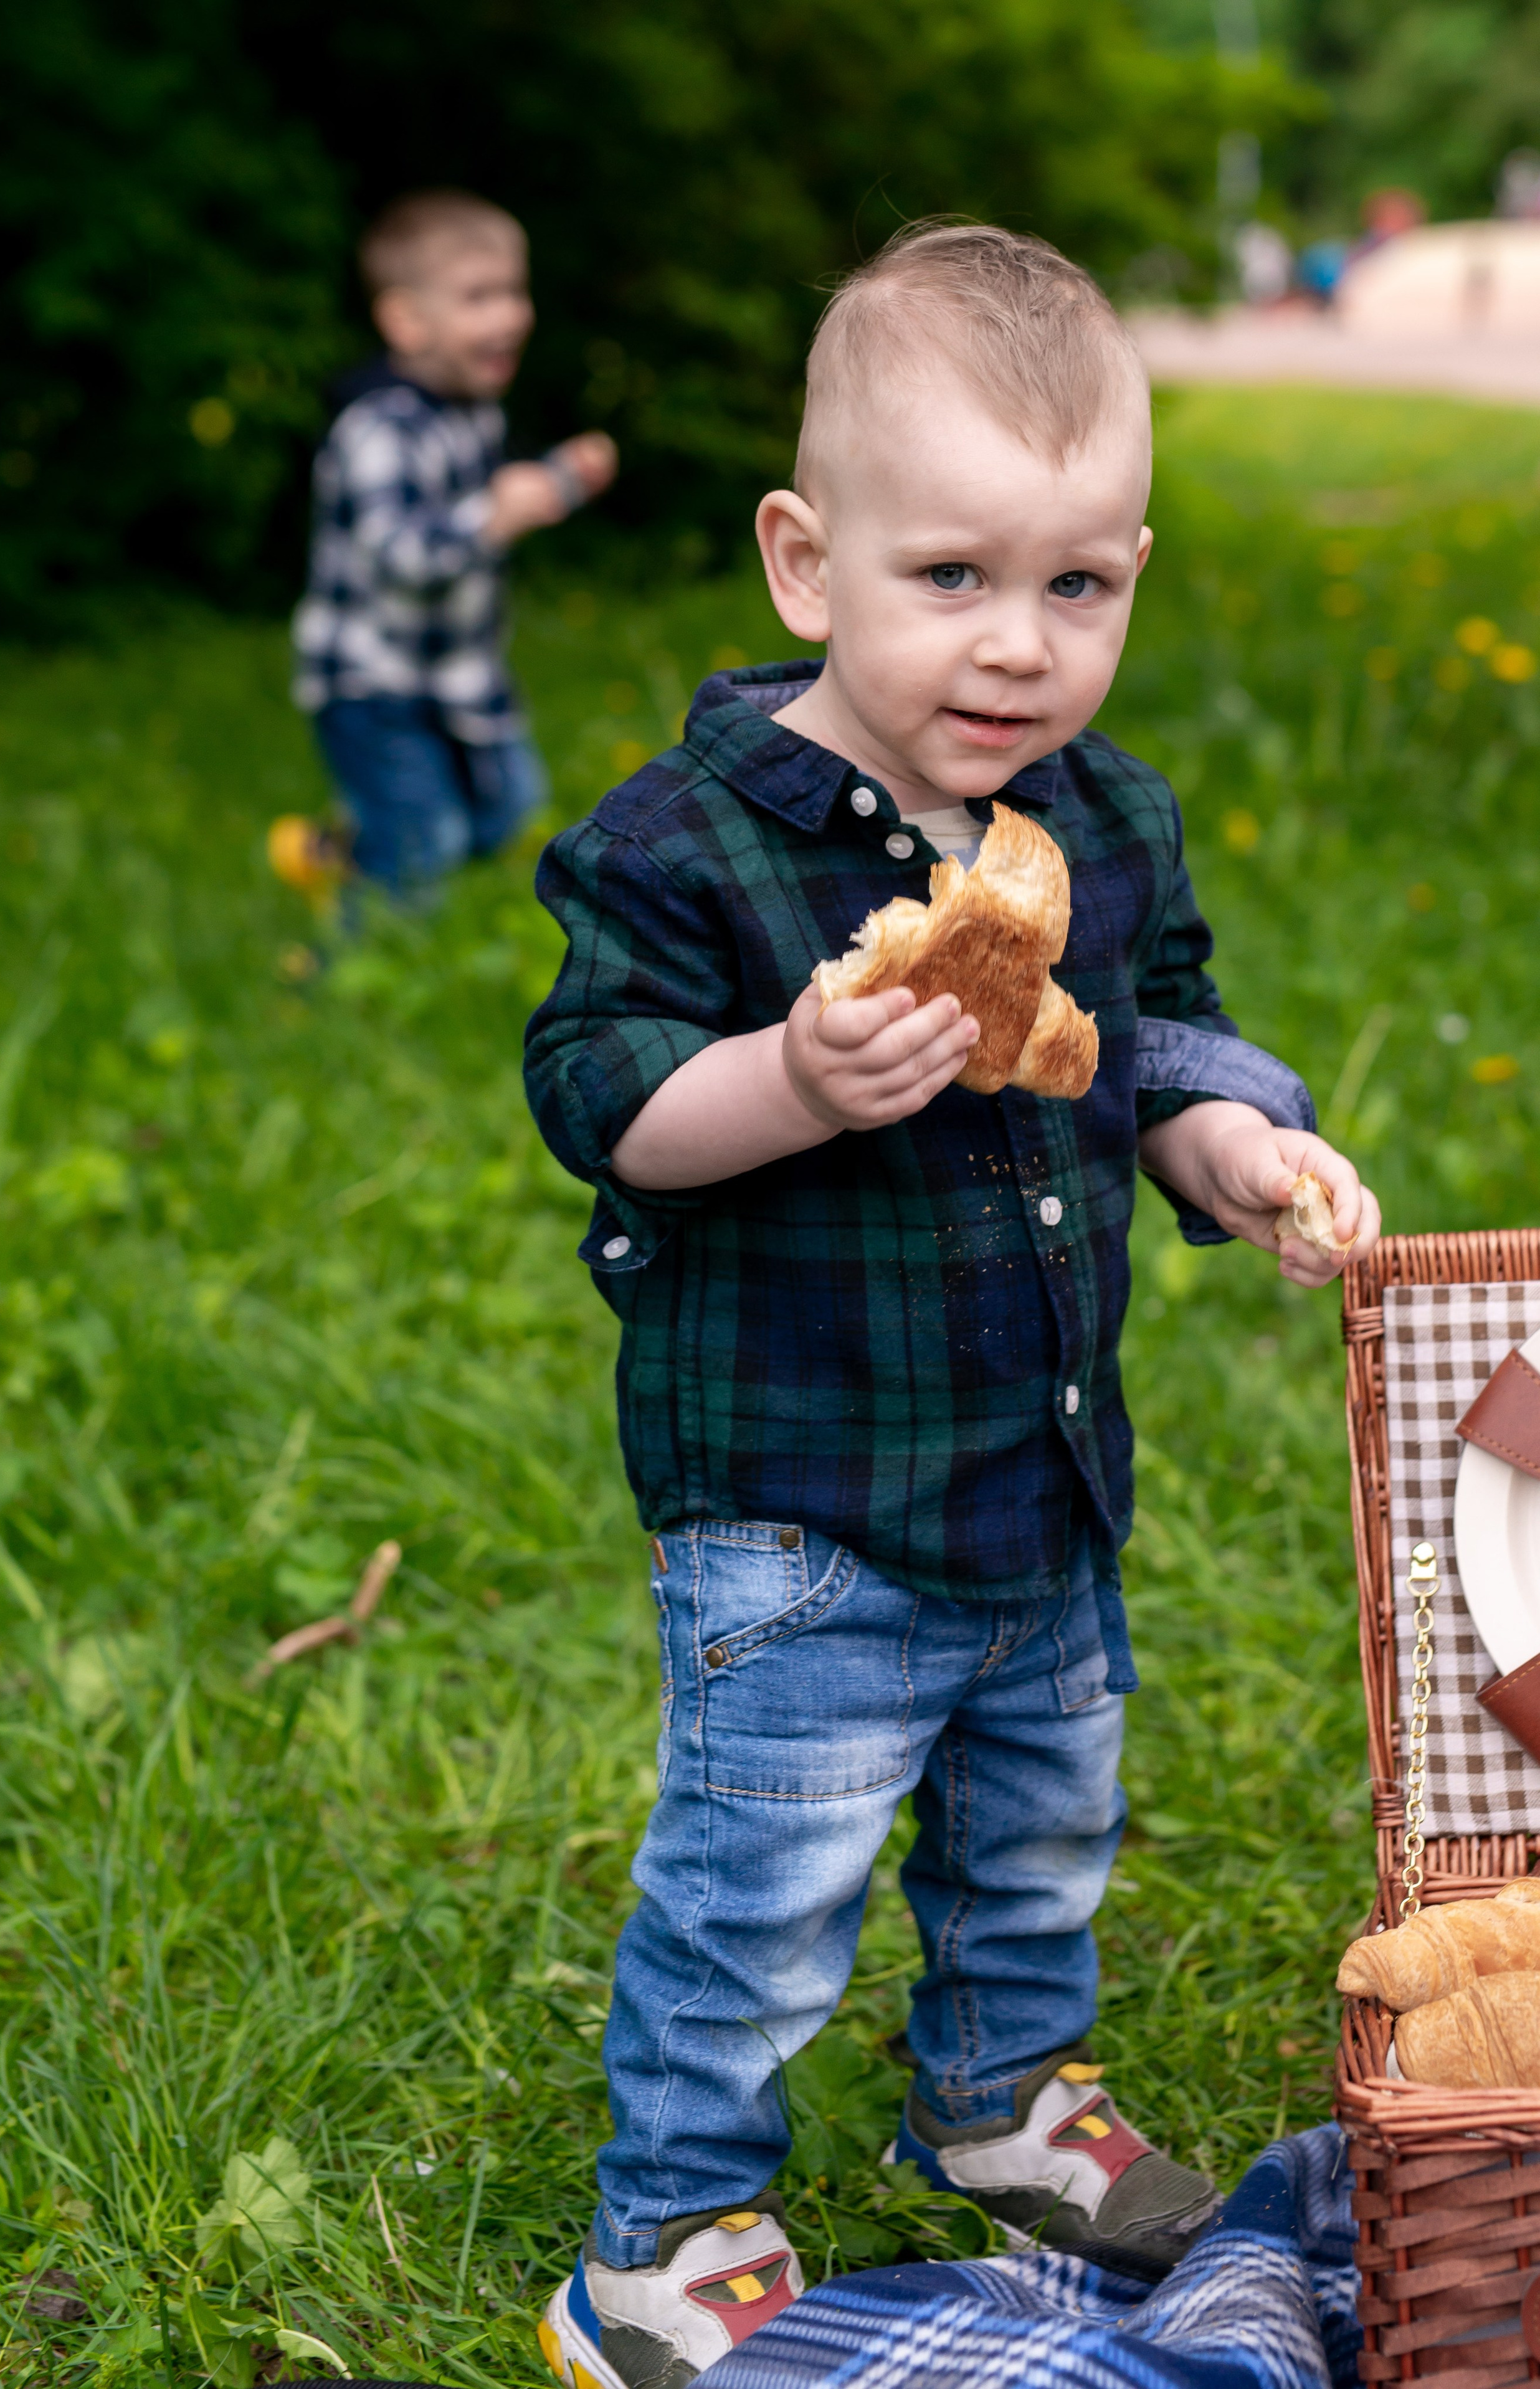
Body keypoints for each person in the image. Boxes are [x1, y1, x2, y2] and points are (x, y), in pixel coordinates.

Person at [523, 221, 1381, 2389]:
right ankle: (663, 2233)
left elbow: (1152, 1042)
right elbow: (604, 1097)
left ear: (1134, 572)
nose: (1019, 647)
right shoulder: (692, 846)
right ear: (808, 563)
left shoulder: (1099, 821)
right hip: (800, 1497)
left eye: (1077, 585)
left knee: (1039, 1828)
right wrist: (795, 1076)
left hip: (1039, 1463)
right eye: (953, 579)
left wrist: (1239, 1152)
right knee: (764, 1881)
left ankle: (1003, 2097)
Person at [282, 189, 617, 900]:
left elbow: (497, 493)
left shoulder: (472, 413)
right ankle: (337, 979)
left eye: (514, 292)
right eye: (478, 297)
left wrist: (565, 475)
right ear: (406, 321)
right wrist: (495, 519)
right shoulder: (378, 430)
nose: (510, 316)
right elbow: (406, 556)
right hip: (371, 681)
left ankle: (339, 844)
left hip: (459, 670)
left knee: (508, 813)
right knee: (421, 848)